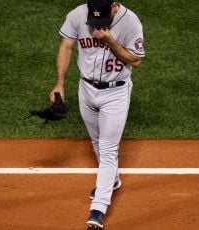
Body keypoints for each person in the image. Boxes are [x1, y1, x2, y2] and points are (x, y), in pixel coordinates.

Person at [49, 0, 145, 229]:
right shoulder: (77, 14)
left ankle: (98, 209)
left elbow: (136, 60)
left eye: (102, 18)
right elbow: (66, 46)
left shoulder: (131, 22)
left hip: (116, 93)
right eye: (94, 19)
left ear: (114, 6)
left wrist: (111, 41)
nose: (97, 24)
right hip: (86, 90)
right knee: (96, 141)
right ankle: (112, 181)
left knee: (109, 148)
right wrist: (59, 84)